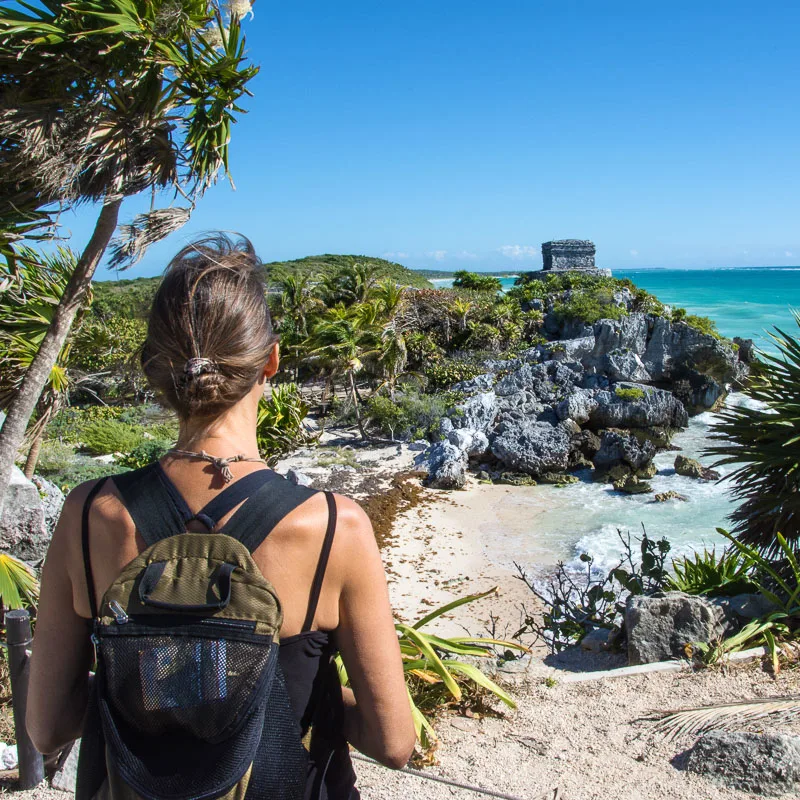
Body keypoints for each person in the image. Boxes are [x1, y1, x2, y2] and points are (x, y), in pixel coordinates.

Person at [26, 234, 416, 799]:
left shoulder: (89, 514)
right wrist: (302, 697)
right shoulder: (334, 527)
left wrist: (151, 689)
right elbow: (394, 741)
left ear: (155, 370)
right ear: (272, 361)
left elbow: (47, 727)